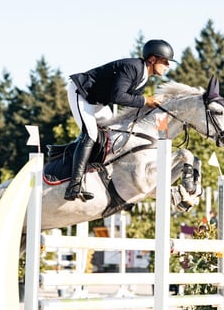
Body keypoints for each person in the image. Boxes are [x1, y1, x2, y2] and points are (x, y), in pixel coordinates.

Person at [64, 39, 177, 201]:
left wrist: (161, 116)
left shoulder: (143, 77)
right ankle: (74, 185)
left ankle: (95, 170)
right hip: (81, 93)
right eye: (165, 61)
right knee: (90, 134)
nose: (168, 65)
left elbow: (134, 104)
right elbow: (118, 96)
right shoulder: (132, 68)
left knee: (112, 134)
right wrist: (146, 101)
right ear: (152, 59)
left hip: (98, 101)